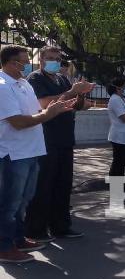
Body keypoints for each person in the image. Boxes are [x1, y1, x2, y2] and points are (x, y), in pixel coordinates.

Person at [0, 45, 77, 263]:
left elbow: (36, 111)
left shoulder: (23, 83)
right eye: (23, 61)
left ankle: (18, 238)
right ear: (11, 62)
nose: (27, 65)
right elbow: (18, 122)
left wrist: (56, 109)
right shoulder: (3, 86)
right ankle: (4, 247)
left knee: (24, 201)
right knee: (9, 203)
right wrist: (48, 114)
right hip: (13, 154)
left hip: (32, 150)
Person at [25, 46, 94, 242]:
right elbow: (44, 104)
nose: (55, 61)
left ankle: (60, 226)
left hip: (65, 139)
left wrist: (80, 94)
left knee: (63, 185)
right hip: (46, 140)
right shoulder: (36, 79)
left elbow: (76, 106)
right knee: (43, 185)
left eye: (57, 58)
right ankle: (35, 229)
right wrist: (72, 91)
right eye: (50, 58)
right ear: (41, 61)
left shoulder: (62, 79)